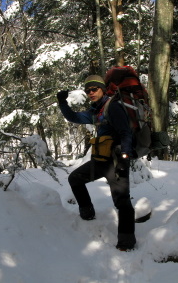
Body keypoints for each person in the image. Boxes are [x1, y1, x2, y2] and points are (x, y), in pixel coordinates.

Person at [56, 74, 136, 251]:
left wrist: (124, 156)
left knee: (122, 202)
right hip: (101, 160)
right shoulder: (96, 112)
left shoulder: (113, 107)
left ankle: (127, 242)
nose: (91, 92)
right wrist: (62, 103)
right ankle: (87, 214)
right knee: (75, 178)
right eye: (88, 90)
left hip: (116, 161)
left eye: (95, 89)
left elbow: (125, 133)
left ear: (103, 89)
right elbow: (74, 117)